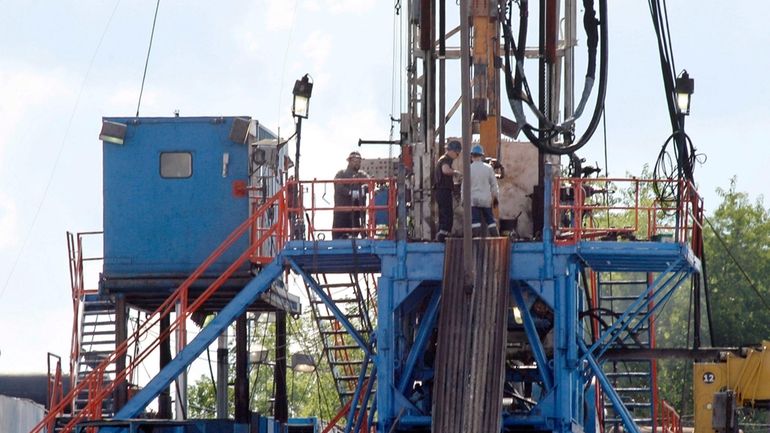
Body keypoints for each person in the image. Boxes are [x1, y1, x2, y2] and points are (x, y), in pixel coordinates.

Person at [333, 151, 369, 239]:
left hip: (357, 212)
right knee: (339, 235)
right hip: (342, 212)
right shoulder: (341, 174)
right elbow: (339, 187)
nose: (357, 163)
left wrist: (364, 188)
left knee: (355, 233)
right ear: (349, 161)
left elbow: (370, 184)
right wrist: (351, 193)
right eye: (355, 161)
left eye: (359, 161)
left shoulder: (362, 175)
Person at [467, 144, 500, 237]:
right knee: (490, 220)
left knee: (475, 221)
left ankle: (475, 241)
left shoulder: (468, 168)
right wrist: (495, 197)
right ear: (481, 156)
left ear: (472, 156)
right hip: (486, 199)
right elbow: (494, 184)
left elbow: (464, 186)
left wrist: (463, 200)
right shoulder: (488, 168)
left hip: (473, 200)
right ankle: (496, 239)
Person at [434, 140, 462, 242]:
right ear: (453, 151)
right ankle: (444, 234)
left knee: (443, 213)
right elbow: (445, 170)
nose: (457, 156)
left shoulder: (442, 159)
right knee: (447, 213)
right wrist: (455, 173)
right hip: (443, 190)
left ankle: (442, 233)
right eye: (457, 153)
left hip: (440, 190)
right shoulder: (446, 159)